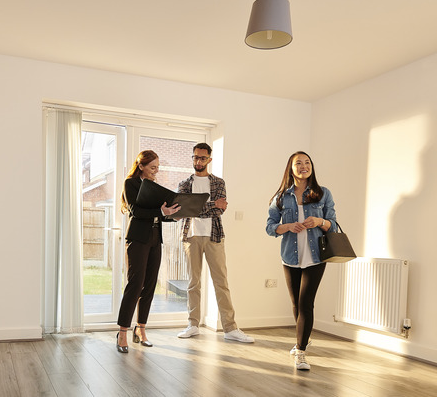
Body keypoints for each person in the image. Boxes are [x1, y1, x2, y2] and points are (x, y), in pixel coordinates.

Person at [176, 143, 254, 343]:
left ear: (209, 159)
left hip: (214, 236)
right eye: (195, 157)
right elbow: (185, 210)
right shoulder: (184, 183)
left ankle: (230, 328)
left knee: (221, 282)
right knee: (193, 283)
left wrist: (197, 206)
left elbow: (220, 210)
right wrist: (209, 205)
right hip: (190, 236)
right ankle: (193, 325)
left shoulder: (218, 183)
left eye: (202, 158)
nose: (198, 161)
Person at [266, 151, 336, 370]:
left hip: (316, 256)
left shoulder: (323, 193)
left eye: (307, 163)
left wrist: (319, 221)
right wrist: (287, 226)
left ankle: (301, 351)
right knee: (296, 303)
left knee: (306, 302)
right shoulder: (280, 197)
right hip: (290, 256)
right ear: (291, 168)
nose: (304, 166)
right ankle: (303, 337)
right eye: (299, 163)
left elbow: (333, 224)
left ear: (312, 167)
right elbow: (270, 227)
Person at [116, 150, 181, 353]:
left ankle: (141, 329)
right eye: (153, 167)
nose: (156, 171)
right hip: (137, 239)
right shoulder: (131, 184)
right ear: (141, 165)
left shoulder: (154, 188)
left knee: (150, 285)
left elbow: (157, 214)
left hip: (155, 240)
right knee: (135, 285)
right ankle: (123, 332)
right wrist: (161, 212)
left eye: (157, 168)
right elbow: (136, 211)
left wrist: (172, 215)